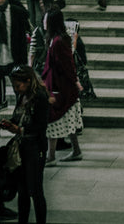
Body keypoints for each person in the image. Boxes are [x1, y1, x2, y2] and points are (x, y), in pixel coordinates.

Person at [0, 65, 49, 224]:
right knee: (23, 190)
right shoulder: (22, 96)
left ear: (28, 81)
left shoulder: (40, 97)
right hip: (21, 147)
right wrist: (8, 124)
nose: (15, 88)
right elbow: (17, 117)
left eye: (17, 85)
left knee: (35, 190)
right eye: (13, 85)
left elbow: (41, 125)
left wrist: (19, 129)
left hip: (35, 148)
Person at [43, 9, 82, 163]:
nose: (44, 22)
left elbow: (67, 64)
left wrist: (75, 81)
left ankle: (51, 156)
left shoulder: (58, 41)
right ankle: (76, 150)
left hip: (60, 86)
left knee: (53, 120)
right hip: (58, 84)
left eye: (46, 19)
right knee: (67, 119)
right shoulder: (55, 39)